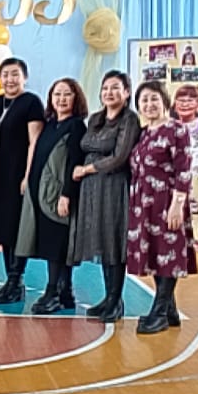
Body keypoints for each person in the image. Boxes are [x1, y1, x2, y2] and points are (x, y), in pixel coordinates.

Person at [70, 70, 141, 323]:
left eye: (115, 88)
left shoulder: (129, 120)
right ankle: (109, 298)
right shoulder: (95, 119)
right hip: (91, 189)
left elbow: (120, 157)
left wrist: (88, 168)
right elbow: (85, 145)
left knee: (113, 239)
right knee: (100, 238)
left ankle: (115, 300)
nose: (109, 93)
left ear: (126, 92)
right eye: (105, 88)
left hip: (113, 185)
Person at [128, 81, 198, 335]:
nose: (149, 104)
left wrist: (177, 205)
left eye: (154, 99)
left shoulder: (176, 130)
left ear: (165, 101)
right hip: (143, 205)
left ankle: (158, 313)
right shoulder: (144, 133)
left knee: (169, 254)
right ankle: (169, 311)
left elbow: (183, 170)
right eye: (144, 100)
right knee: (156, 255)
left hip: (167, 202)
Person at [16, 78, 88, 314]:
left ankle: (53, 292)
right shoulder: (50, 125)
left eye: (67, 94)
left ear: (76, 98)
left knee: (58, 244)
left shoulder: (76, 126)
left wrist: (66, 194)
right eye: (57, 94)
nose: (61, 99)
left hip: (58, 195)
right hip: (42, 193)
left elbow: (74, 162)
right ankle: (65, 291)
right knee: (49, 243)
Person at [0, 57, 44, 303]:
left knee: (17, 228)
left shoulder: (31, 102)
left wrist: (27, 176)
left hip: (17, 173)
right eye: (6, 75)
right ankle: (10, 280)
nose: (10, 79)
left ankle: (16, 280)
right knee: (3, 228)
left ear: (25, 77)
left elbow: (34, 142)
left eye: (15, 74)